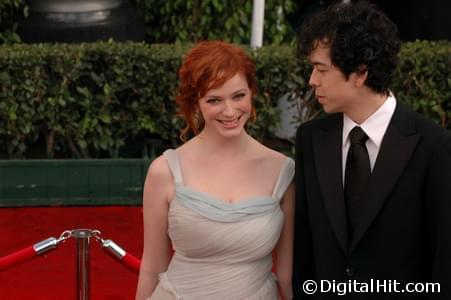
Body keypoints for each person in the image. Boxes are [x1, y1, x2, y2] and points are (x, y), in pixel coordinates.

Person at [293, 1, 451, 299]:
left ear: (360, 73)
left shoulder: (434, 146)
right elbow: (305, 251)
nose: (312, 80)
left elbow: (443, 259)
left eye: (321, 69)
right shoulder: (310, 140)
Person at [136, 40, 295, 300]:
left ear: (252, 93)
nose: (230, 111)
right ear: (195, 103)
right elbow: (153, 267)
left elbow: (287, 275)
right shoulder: (164, 171)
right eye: (214, 100)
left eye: (238, 96)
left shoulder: (283, 171)